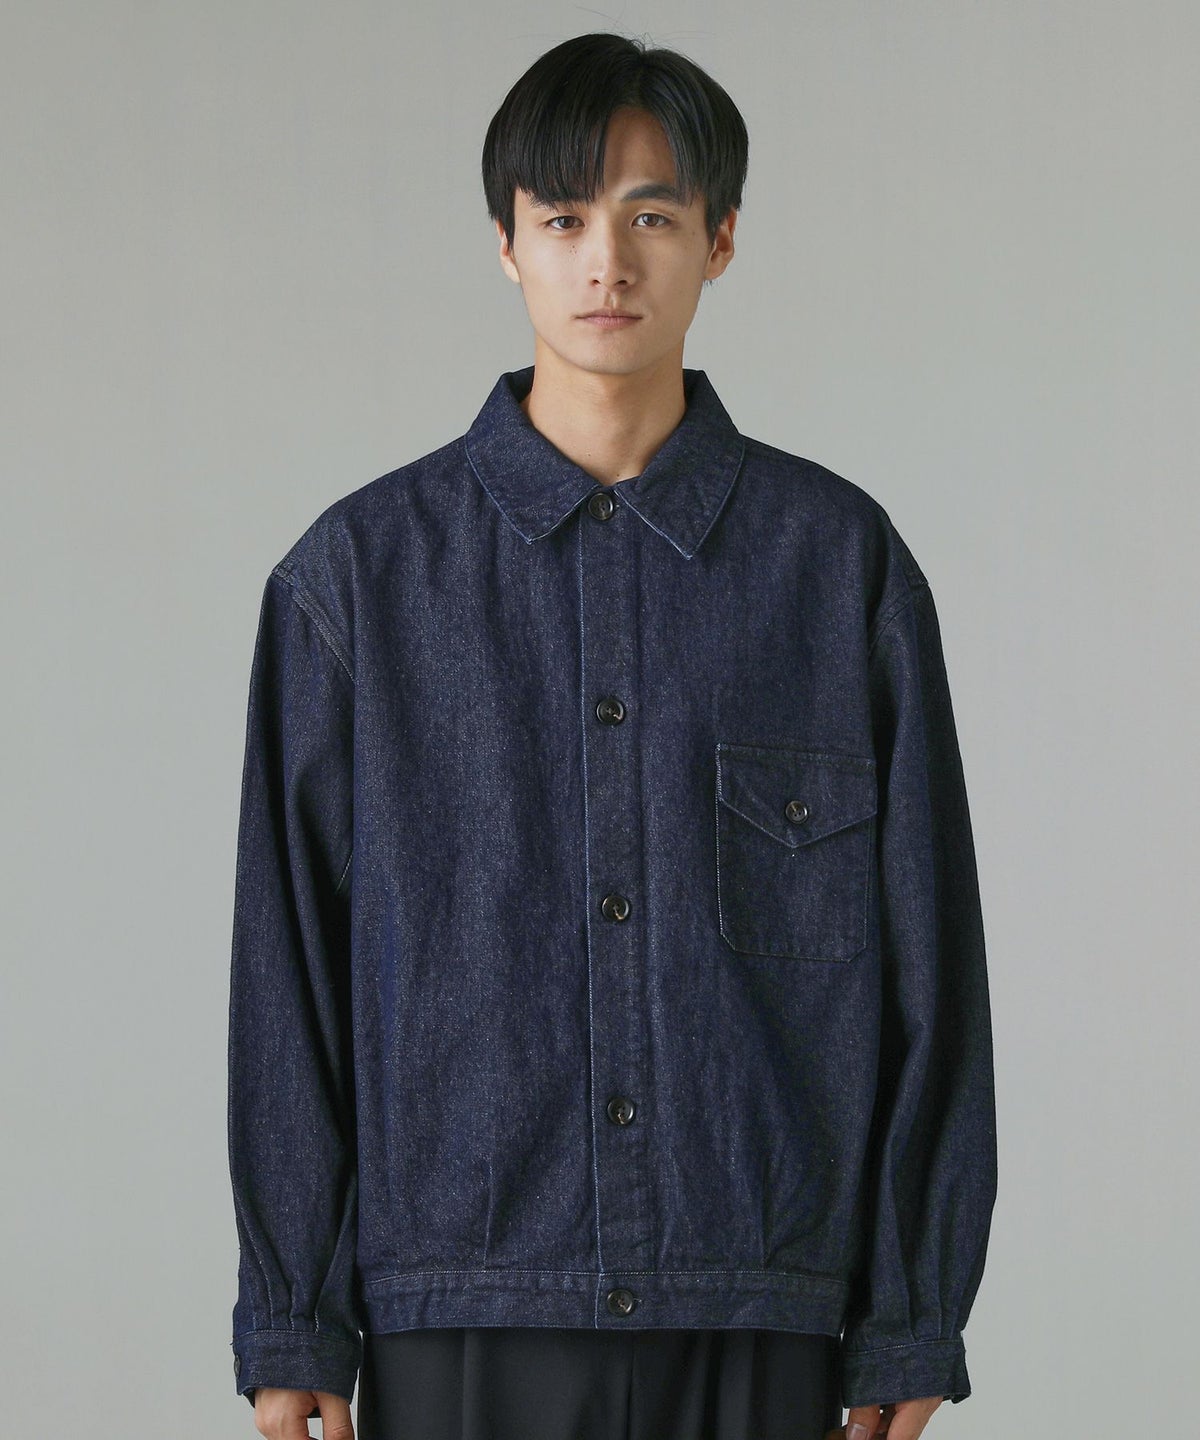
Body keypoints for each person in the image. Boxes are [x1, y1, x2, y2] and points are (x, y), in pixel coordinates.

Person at [226, 30, 998, 1440]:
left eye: (651, 216)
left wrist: (911, 1314)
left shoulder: (839, 572)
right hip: (463, 1304)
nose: (607, 264)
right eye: (564, 219)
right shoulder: (359, 584)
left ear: (720, 240)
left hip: (758, 1304)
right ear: (506, 246)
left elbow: (930, 961)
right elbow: (289, 972)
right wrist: (294, 1315)